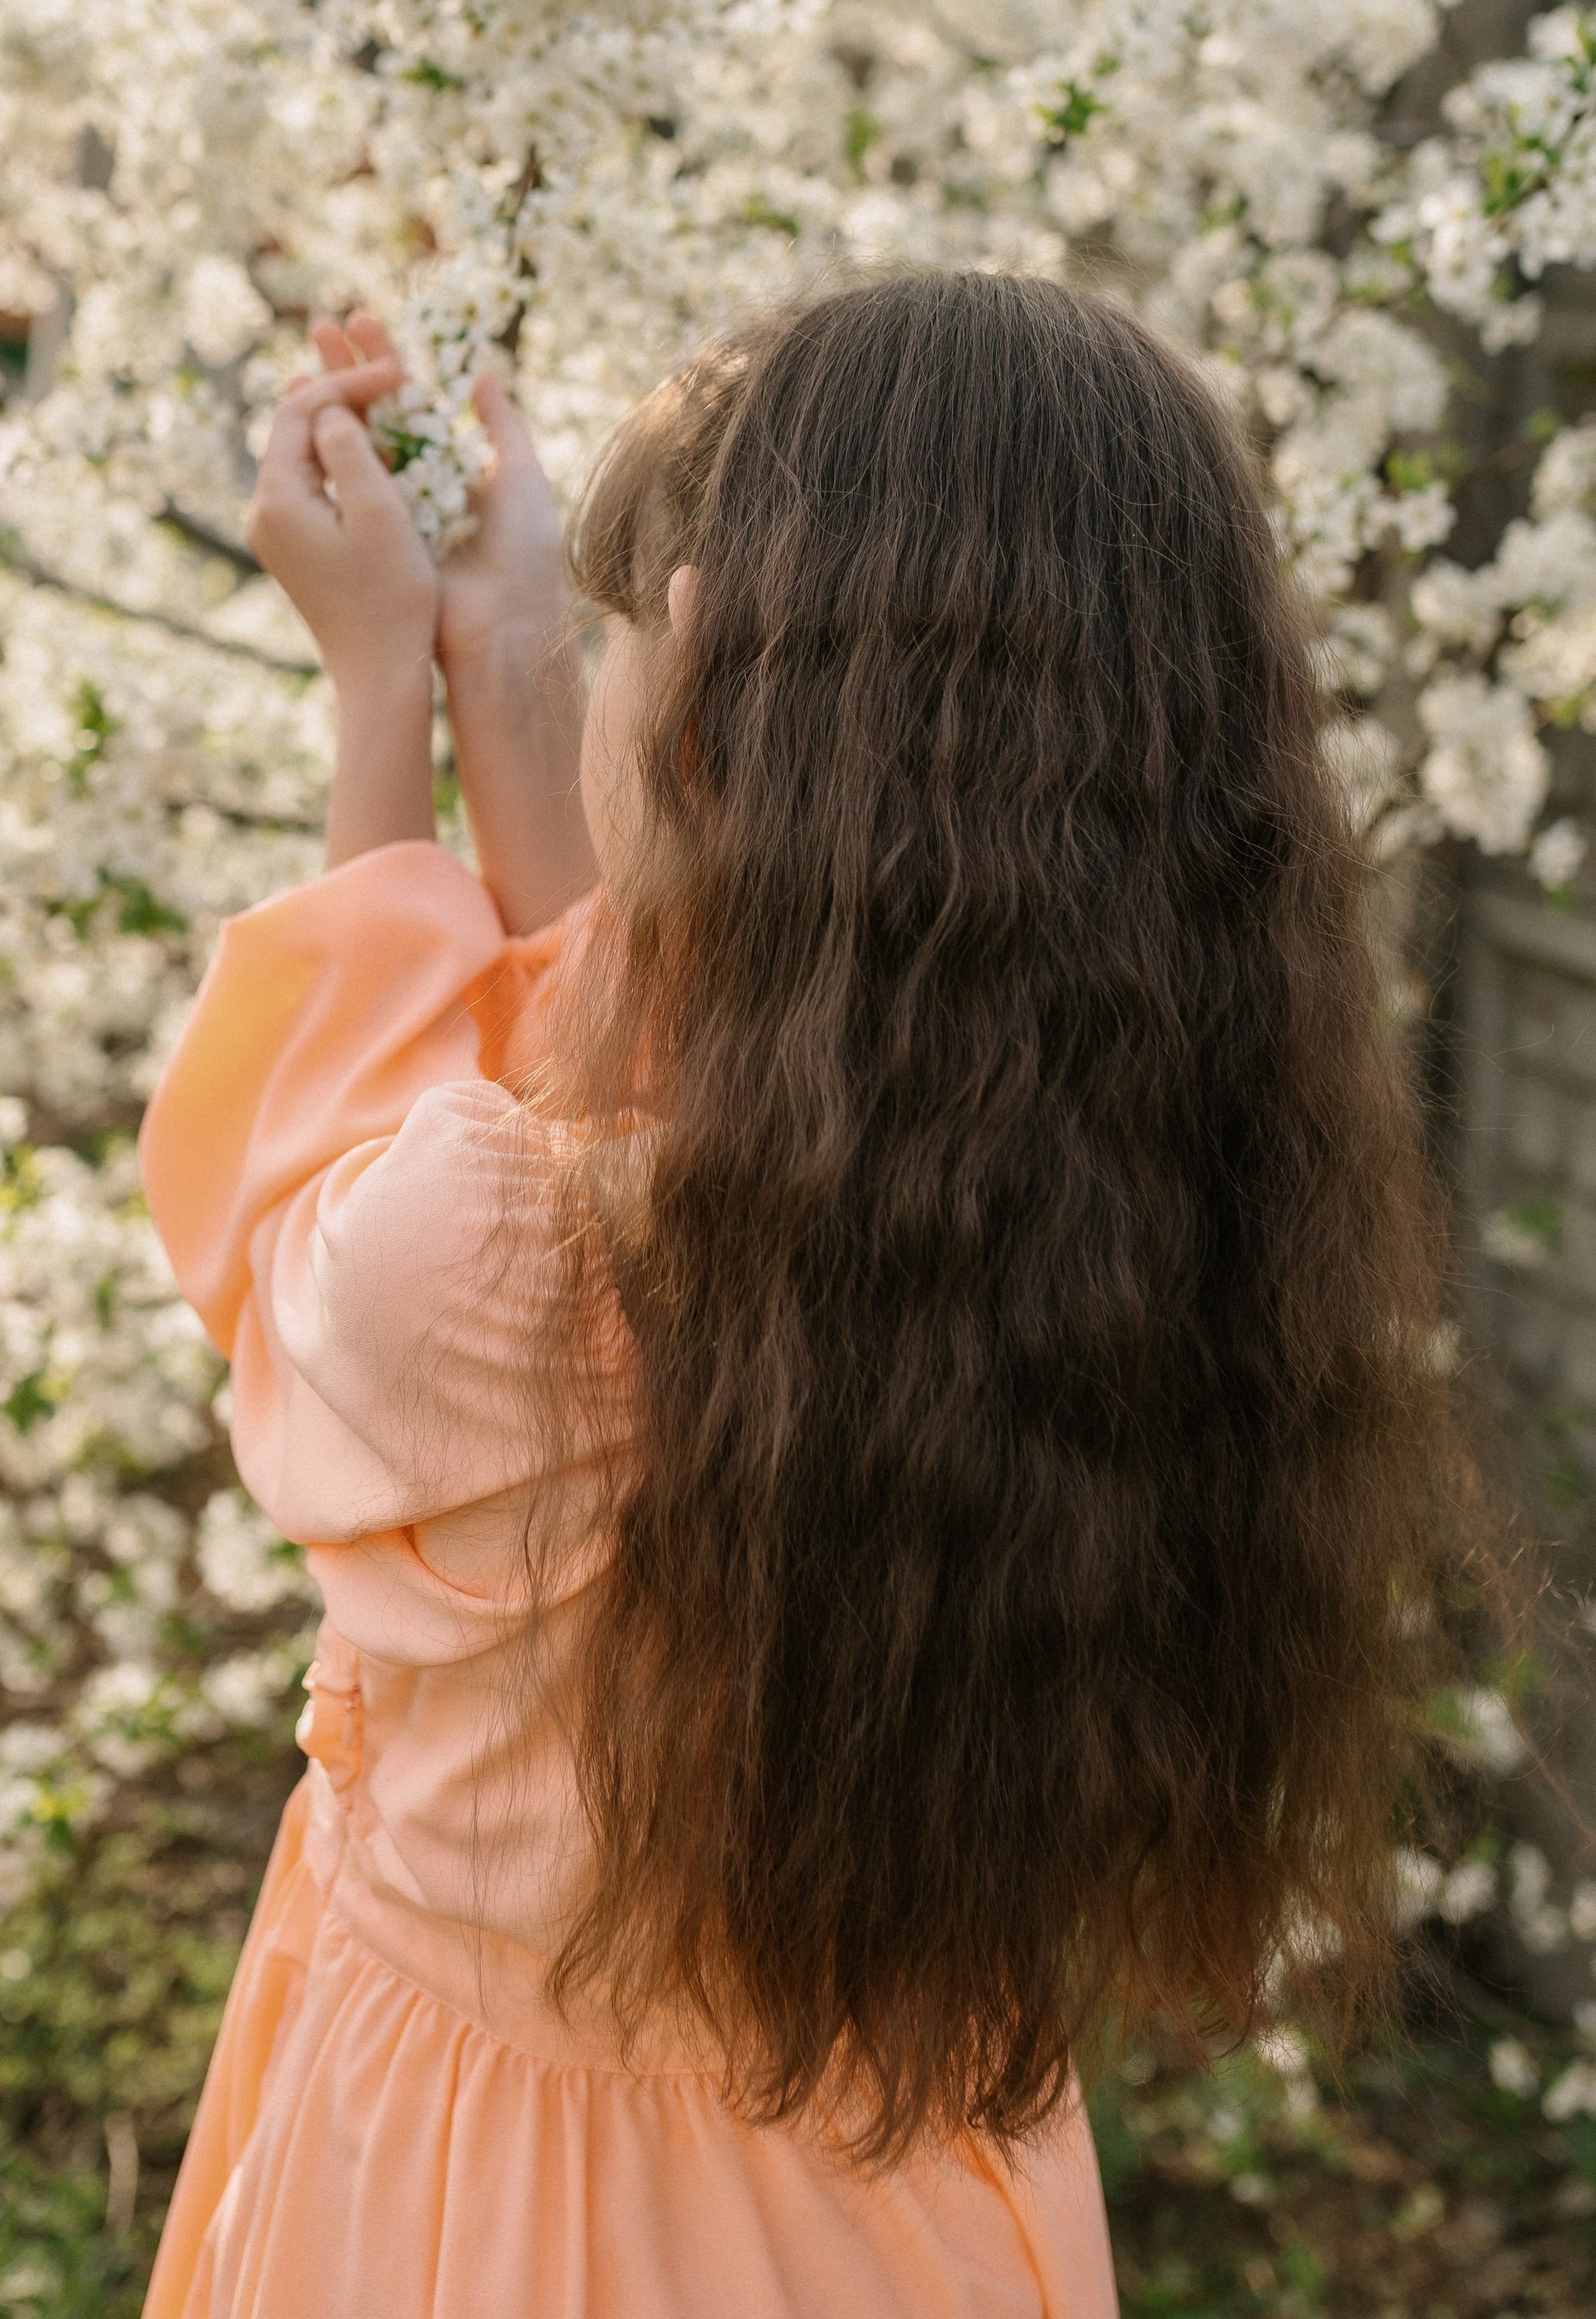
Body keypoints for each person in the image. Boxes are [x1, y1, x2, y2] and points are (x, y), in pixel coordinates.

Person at [136, 274, 1463, 2319]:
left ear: (700, 713)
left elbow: (308, 1220)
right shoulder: (1122, 1202)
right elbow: (670, 1064)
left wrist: (378, 690)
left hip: (494, 2219)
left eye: (619, 635)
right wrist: (505, 648)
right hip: (902, 2216)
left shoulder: (497, 1252)